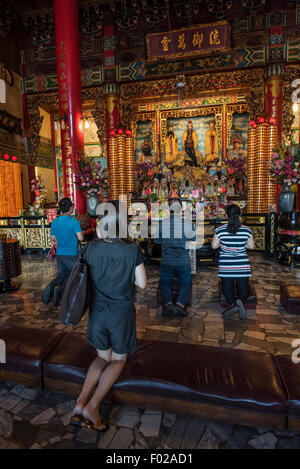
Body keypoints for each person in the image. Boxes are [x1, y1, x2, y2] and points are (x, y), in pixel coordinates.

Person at [71, 201, 147, 431]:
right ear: (123, 223)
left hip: (98, 312)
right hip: (120, 313)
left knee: (101, 358)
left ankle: (79, 403)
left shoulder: (90, 249)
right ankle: (93, 406)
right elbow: (142, 284)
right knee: (118, 359)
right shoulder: (132, 250)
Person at [211, 204, 255, 320]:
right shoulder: (246, 230)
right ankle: (240, 304)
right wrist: (242, 245)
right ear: (239, 215)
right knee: (243, 287)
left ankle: (233, 305)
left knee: (226, 288)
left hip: (226, 264)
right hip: (241, 263)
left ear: (226, 215)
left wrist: (224, 244)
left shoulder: (220, 230)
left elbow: (214, 246)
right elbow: (251, 246)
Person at [154, 198, 196, 317]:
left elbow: (157, 240)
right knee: (186, 283)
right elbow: (193, 240)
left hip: (167, 259)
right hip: (183, 259)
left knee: (165, 282)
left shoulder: (163, 223)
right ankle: (180, 305)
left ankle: (167, 304)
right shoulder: (188, 224)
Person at [42, 198, 84, 306]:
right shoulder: (74, 222)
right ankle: (63, 294)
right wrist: (81, 233)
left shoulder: (55, 221)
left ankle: (53, 288)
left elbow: (52, 238)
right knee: (72, 276)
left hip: (60, 253)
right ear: (71, 208)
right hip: (72, 254)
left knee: (61, 275)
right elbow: (80, 238)